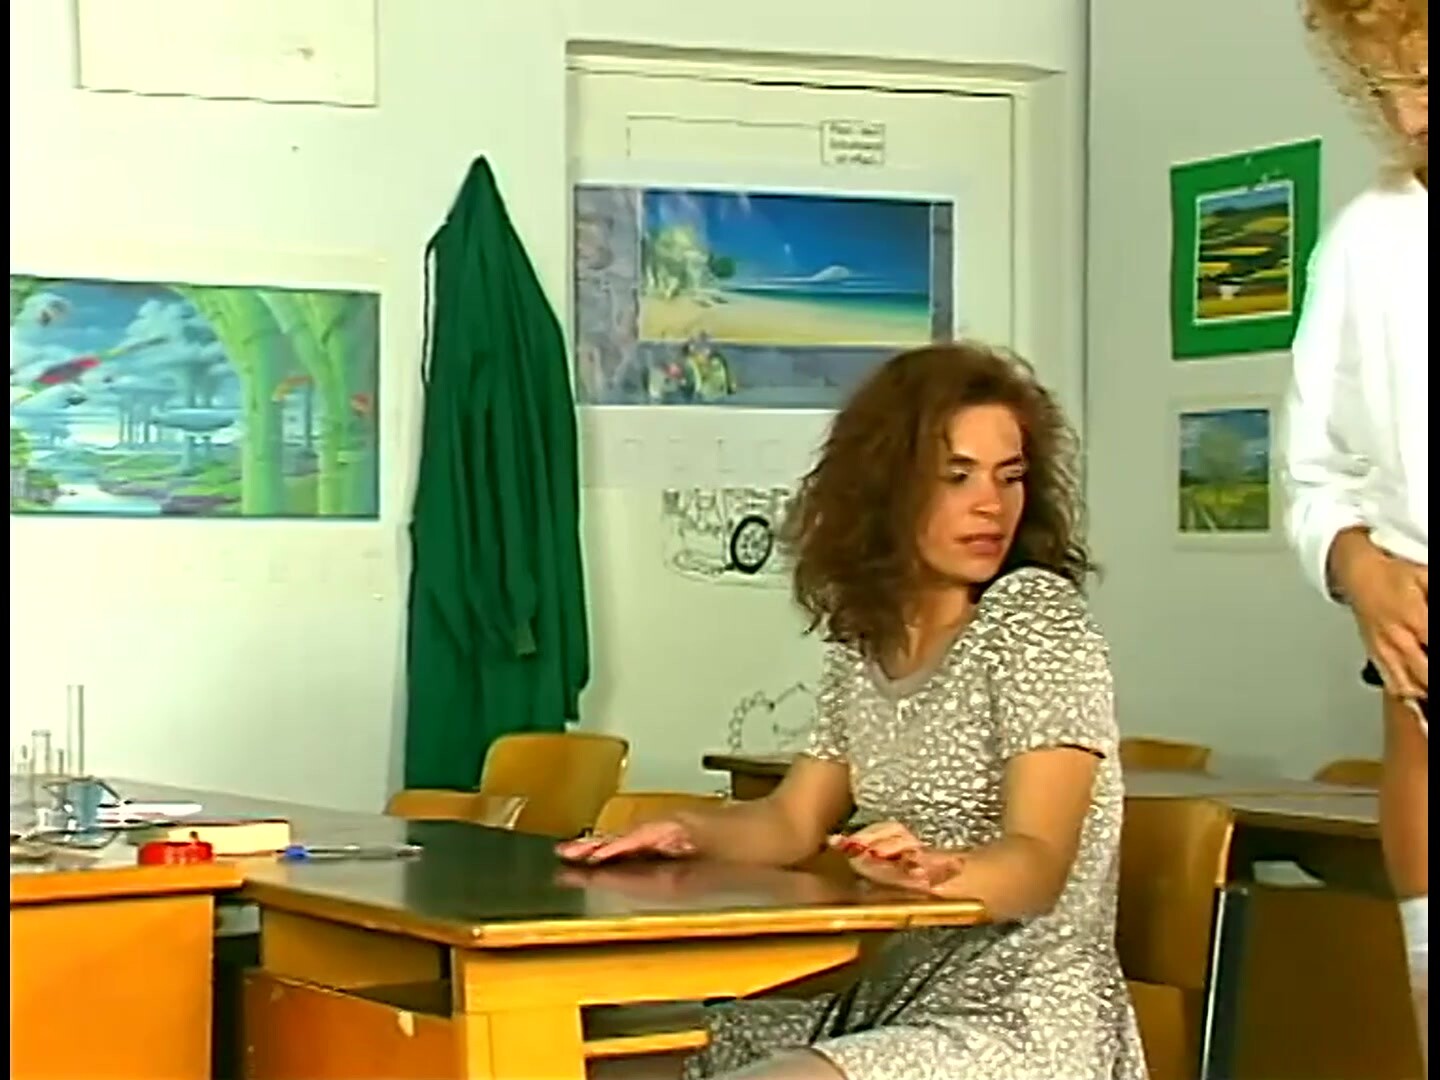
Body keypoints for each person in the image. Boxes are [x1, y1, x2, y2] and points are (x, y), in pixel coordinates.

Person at [561, 343, 1146, 1080]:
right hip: (891, 1002)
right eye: (957, 476)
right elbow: (791, 821)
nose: (991, 506)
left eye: (1010, 476)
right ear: (885, 488)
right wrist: (687, 831)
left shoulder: (1035, 618)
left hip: (1023, 1023)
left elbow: (1036, 866)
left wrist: (938, 870)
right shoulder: (865, 639)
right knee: (602, 1053)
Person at [1282, 0, 1427, 1058]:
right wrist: (1360, 570)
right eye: (1386, 91)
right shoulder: (1366, 242)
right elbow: (1312, 474)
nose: (1410, 120)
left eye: (1428, 85)